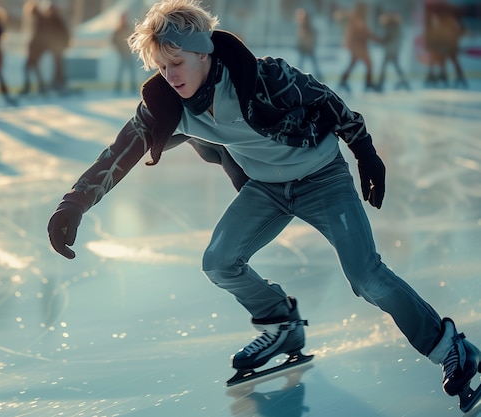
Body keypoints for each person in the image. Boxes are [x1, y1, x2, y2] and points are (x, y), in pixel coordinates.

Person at [47, 0, 480, 406]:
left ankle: (450, 348)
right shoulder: (168, 107)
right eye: (161, 67)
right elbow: (120, 152)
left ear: (204, 54)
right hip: (266, 191)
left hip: (321, 179)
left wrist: (364, 150)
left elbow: (327, 100)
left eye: (176, 63)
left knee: (366, 277)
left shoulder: (264, 79)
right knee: (218, 262)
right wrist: (75, 203)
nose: (170, 76)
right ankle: (281, 324)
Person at [335, 2, 378, 92]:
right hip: (358, 47)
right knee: (368, 64)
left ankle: (343, 82)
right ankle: (368, 84)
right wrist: (377, 39)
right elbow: (365, 32)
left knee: (353, 64)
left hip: (357, 47)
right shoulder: (357, 18)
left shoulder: (356, 17)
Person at [375, 11, 410, 91]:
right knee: (394, 67)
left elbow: (389, 38)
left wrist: (382, 41)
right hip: (392, 49)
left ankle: (381, 84)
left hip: (391, 50)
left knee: (386, 67)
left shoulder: (391, 27)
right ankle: (404, 82)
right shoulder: (396, 27)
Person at [112, 12, 138, 94]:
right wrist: (119, 50)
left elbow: (134, 39)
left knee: (132, 72)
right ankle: (118, 88)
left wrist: (133, 49)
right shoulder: (118, 30)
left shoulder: (129, 28)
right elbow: (113, 41)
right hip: (123, 54)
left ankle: (133, 88)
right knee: (120, 72)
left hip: (129, 54)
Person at [294, 8, 322, 80]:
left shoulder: (309, 27)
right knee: (301, 63)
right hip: (304, 48)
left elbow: (311, 38)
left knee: (313, 63)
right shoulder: (303, 27)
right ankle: (297, 75)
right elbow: (301, 38)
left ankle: (319, 76)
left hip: (308, 48)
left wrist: (310, 46)